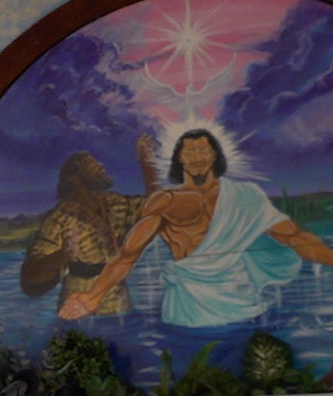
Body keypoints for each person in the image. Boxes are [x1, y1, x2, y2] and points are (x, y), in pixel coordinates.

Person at [59, 128, 333, 326]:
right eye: (189, 151)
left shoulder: (246, 196)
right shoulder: (167, 202)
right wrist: (94, 296)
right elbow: (129, 252)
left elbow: (294, 237)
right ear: (180, 159)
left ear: (215, 155)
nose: (197, 156)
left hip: (244, 310)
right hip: (188, 316)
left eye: (203, 149)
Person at [21, 139, 156, 316]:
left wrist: (147, 163)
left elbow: (156, 208)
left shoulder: (113, 203)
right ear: (74, 177)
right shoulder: (59, 219)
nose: (100, 165)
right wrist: (62, 254)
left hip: (120, 304)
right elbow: (31, 278)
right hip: (78, 307)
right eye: (91, 163)